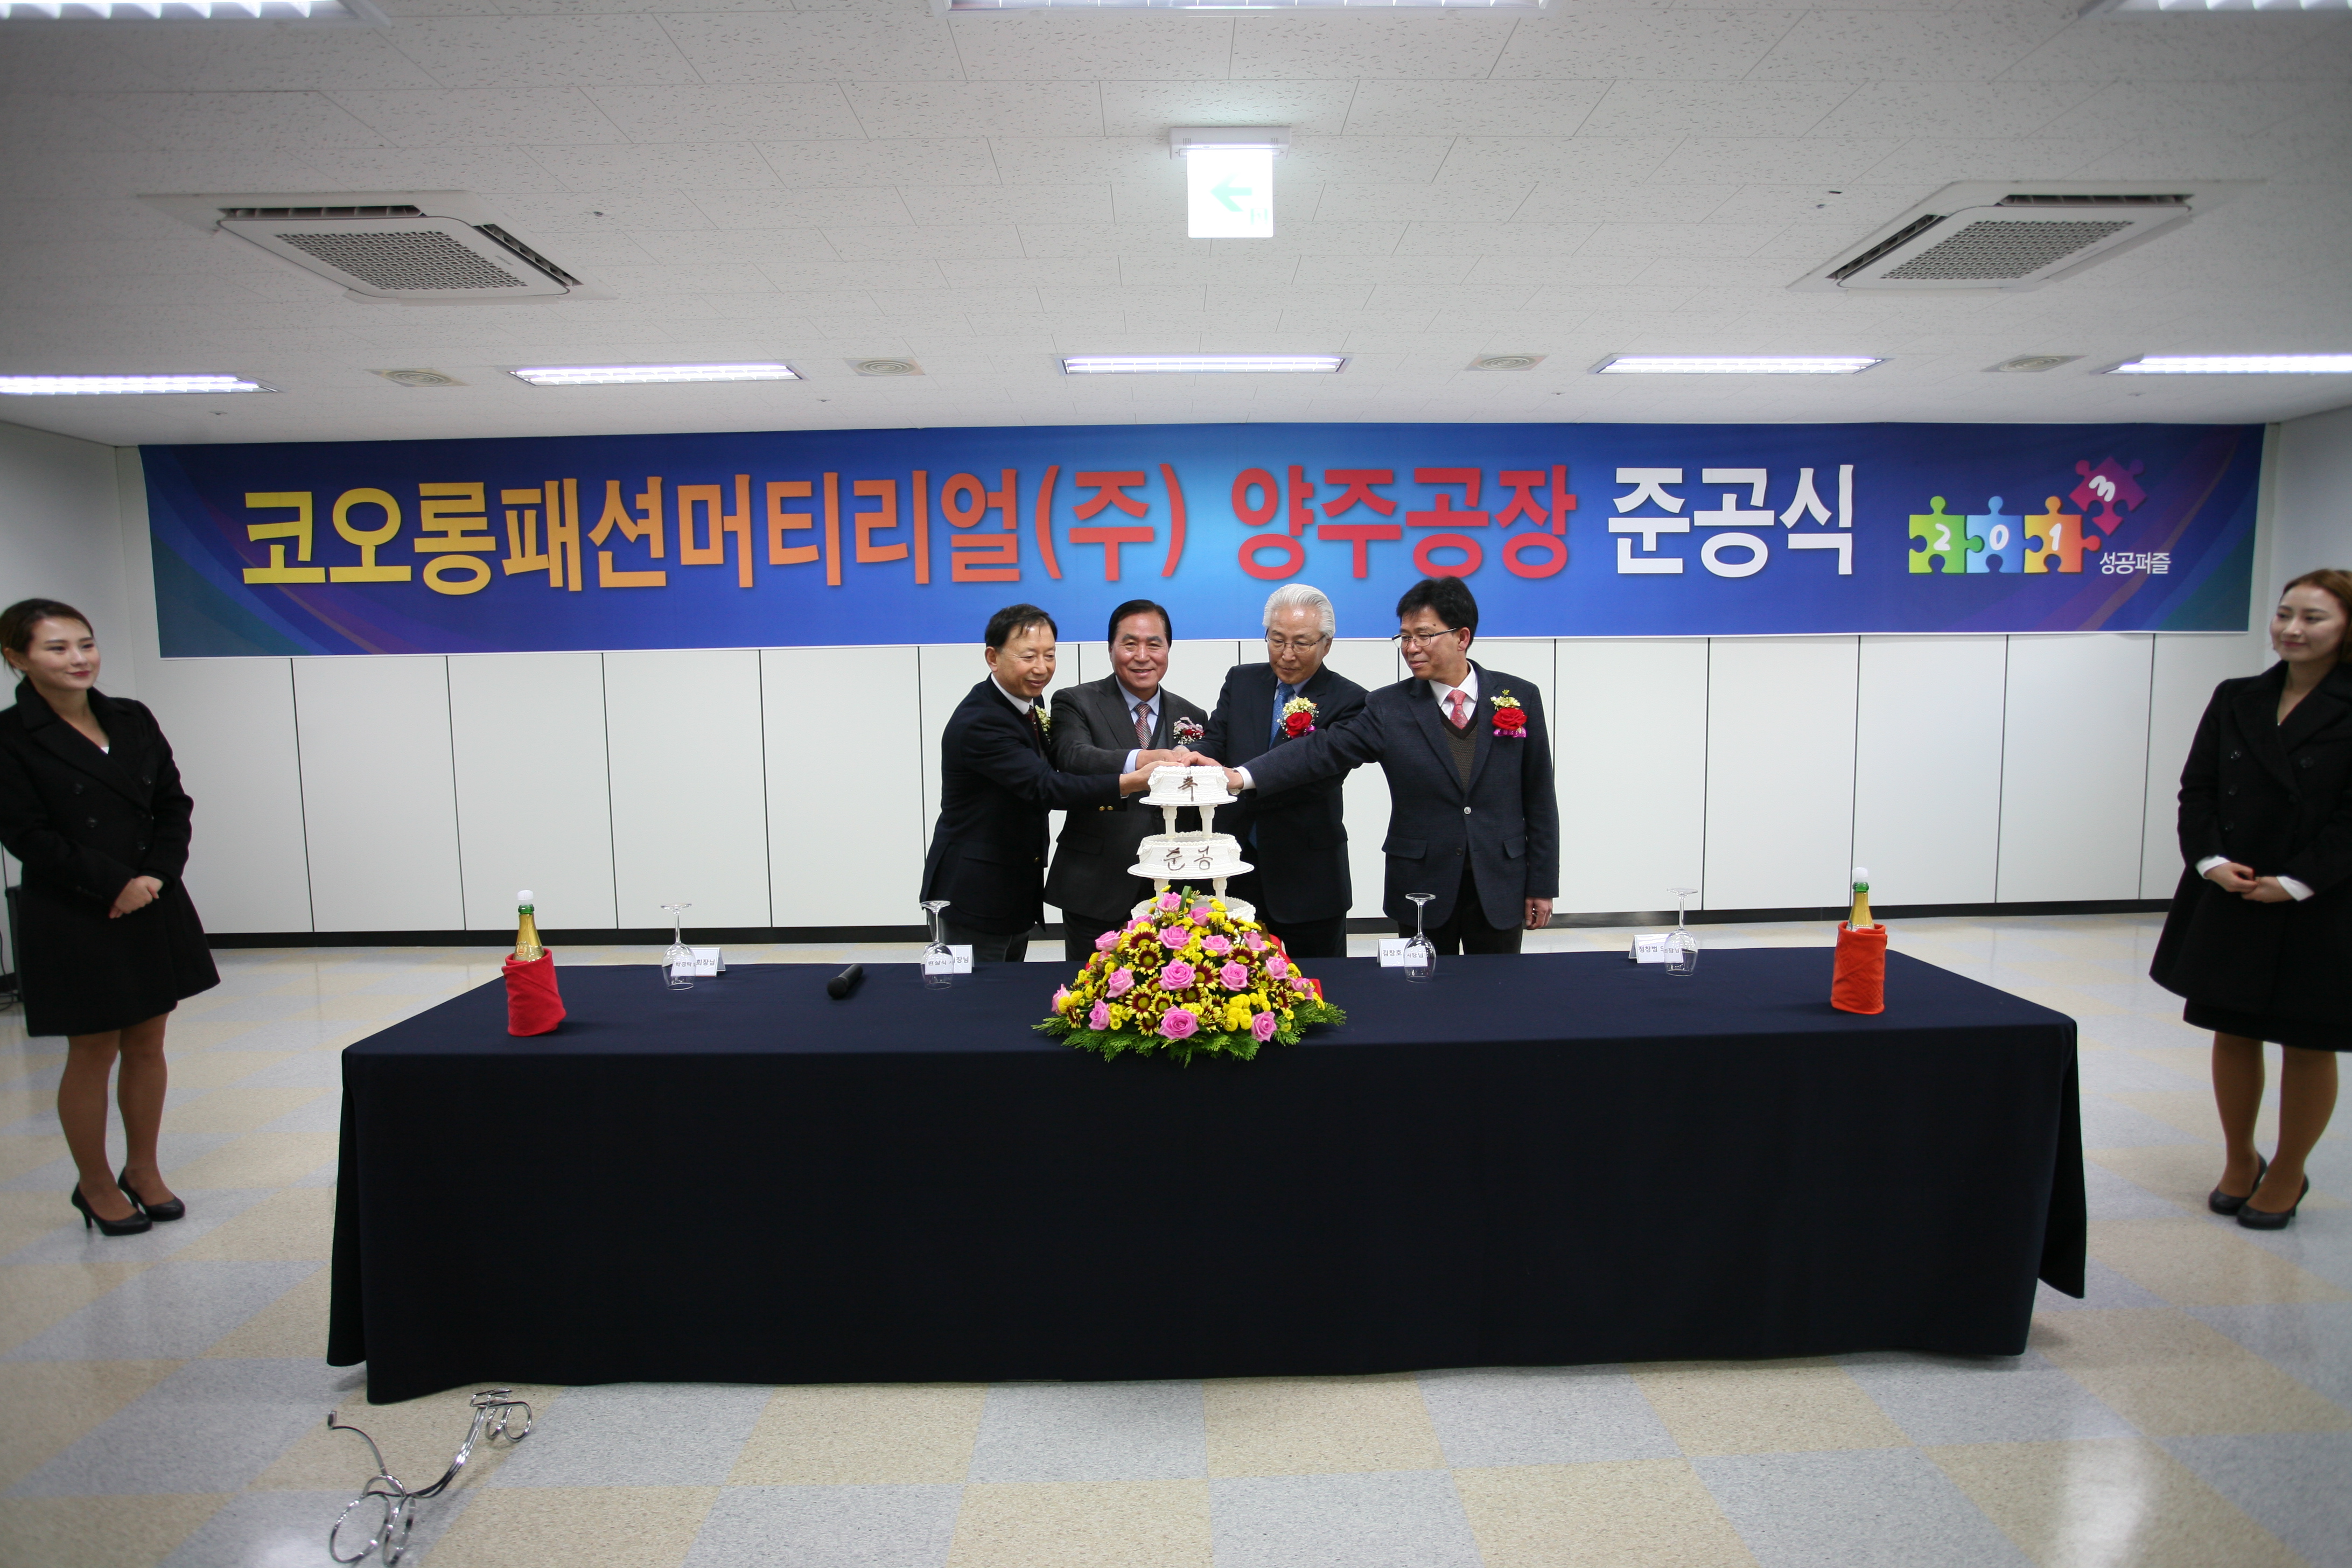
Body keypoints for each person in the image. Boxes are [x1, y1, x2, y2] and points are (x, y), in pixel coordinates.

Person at [0, 598, 219, 1238]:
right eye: (58, 648)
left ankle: (143, 1169)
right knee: (92, 1048)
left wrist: (155, 876)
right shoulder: (10, 736)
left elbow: (173, 804)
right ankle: (94, 1183)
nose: (79, 658)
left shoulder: (131, 717)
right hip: (75, 907)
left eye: (86, 644)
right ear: (17, 658)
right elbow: (26, 834)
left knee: (148, 1041)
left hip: (150, 897)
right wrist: (114, 884)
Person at [2151, 568, 2351, 1230]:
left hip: (2321, 896)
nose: (2292, 629)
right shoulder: (2238, 695)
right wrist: (2210, 861)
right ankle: (2240, 1156)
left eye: (2313, 618)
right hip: (2233, 887)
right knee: (2233, 1030)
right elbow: (2199, 788)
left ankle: (2289, 1168)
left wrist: (2294, 881)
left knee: (2307, 1040)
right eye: (2285, 613)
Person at [1211, 577, 1557, 955]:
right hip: (1422, 884)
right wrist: (1242, 776)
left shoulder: (1519, 696)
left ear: (1462, 637)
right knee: (1422, 986)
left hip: (1501, 882)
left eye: (1424, 636)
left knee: (1500, 986)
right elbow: (1321, 751)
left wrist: (1542, 883)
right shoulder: (1388, 707)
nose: (1411, 648)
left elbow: (1539, 796)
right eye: (1405, 637)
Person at [920, 604, 1154, 964]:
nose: (1041, 668)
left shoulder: (1029, 703)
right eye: (1028, 656)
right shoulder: (981, 721)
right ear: (993, 658)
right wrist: (1130, 782)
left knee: (1009, 986)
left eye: (1049, 655)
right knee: (972, 993)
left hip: (1013, 890)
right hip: (974, 893)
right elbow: (1046, 787)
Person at [1198, 584, 1369, 959]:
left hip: (1309, 878)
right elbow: (1216, 741)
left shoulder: (1351, 700)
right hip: (1236, 868)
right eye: (1277, 640)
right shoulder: (1242, 680)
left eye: (1301, 643)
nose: (1287, 654)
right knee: (1235, 983)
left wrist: (1240, 778)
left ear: (1326, 644)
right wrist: (1192, 758)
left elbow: (1317, 769)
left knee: (1320, 984)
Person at [1042, 599, 1206, 963]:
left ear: (1168, 649)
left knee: (1171, 989)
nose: (1142, 656)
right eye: (1130, 644)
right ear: (1111, 648)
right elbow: (1073, 757)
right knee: (1091, 990)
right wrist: (1141, 760)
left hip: (1172, 888)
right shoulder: (1076, 701)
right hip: (1097, 882)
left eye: (1154, 644)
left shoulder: (1193, 715)